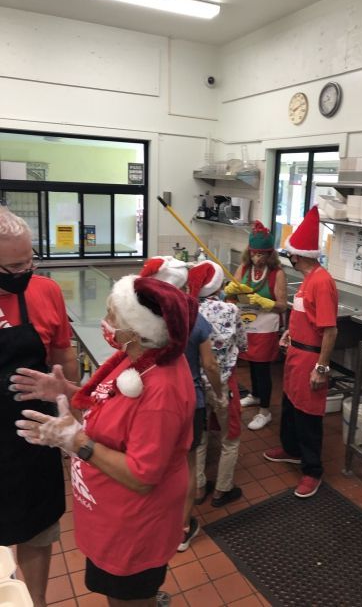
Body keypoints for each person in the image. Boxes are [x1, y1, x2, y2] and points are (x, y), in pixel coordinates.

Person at [13, 275, 197, 606]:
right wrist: (65, 391)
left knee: (127, 597)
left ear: (137, 330)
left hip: (135, 527)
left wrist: (76, 441)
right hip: (111, 516)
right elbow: (106, 403)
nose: (106, 320)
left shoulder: (161, 391)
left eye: (112, 314)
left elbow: (142, 477)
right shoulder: (136, 359)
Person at [0, 206, 78, 607]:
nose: (24, 272)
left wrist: (68, 404)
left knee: (37, 531)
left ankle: (37, 601)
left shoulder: (46, 291)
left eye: (29, 261)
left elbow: (64, 358)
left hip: (34, 438)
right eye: (13, 267)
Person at [139, 256, 223, 552]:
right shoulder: (193, 317)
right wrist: (220, 394)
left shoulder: (143, 318)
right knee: (186, 466)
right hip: (190, 402)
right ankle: (183, 529)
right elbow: (210, 365)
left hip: (152, 400)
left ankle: (156, 520)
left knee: (156, 464)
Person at [263, 206, 338, 498]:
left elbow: (330, 330)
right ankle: (292, 449)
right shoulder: (308, 280)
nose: (289, 259)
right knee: (291, 406)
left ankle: (312, 470)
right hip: (295, 355)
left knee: (308, 416)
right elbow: (304, 315)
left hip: (310, 360)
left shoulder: (321, 282)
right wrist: (289, 333)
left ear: (297, 256)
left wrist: (321, 368)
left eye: (290, 255)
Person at [188, 260, 248, 507]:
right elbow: (242, 343)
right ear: (218, 285)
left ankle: (199, 488)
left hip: (195, 385)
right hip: (222, 383)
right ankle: (223, 489)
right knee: (230, 437)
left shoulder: (188, 310)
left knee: (200, 437)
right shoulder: (230, 310)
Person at [224, 221, 287, 430]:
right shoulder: (244, 268)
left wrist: (265, 302)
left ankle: (265, 411)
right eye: (253, 253)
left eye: (261, 255)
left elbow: (282, 305)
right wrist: (230, 292)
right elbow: (232, 296)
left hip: (266, 328)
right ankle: (256, 395)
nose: (257, 258)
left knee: (262, 368)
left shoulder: (277, 274)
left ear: (270, 255)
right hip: (247, 325)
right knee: (251, 362)